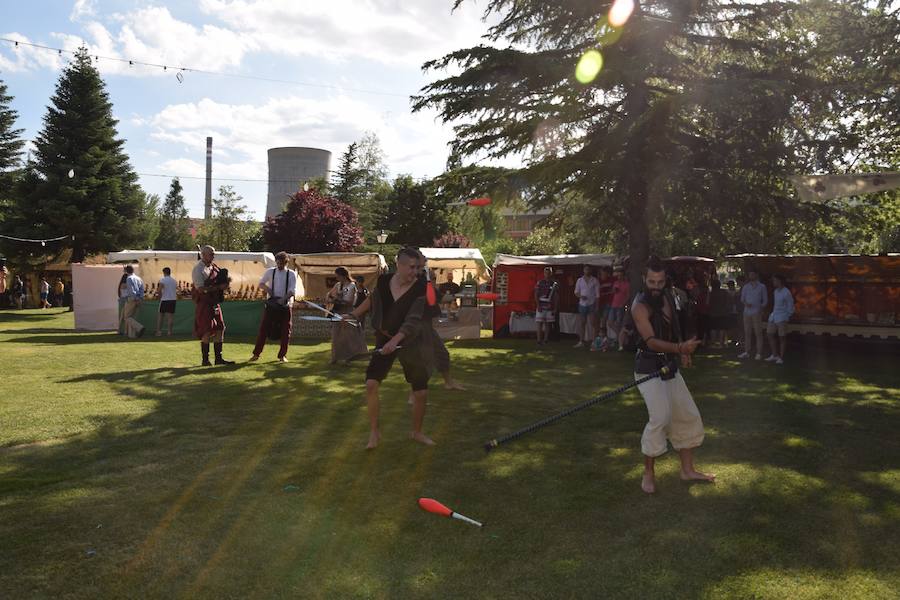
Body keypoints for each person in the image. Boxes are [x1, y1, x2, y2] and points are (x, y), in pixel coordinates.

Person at [631, 257, 714, 494]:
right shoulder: (639, 306)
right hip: (648, 367)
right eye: (651, 282)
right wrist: (680, 349)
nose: (655, 286)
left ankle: (687, 471)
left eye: (659, 281)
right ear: (644, 280)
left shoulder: (668, 296)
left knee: (686, 413)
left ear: (665, 280)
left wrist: (682, 350)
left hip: (669, 366)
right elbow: (652, 341)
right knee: (661, 417)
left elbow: (673, 325)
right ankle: (648, 473)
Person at [348, 247, 435, 449]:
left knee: (421, 393)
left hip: (411, 343)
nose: (416, 272)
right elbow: (372, 300)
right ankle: (374, 432)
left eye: (418, 267)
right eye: (412, 267)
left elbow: (412, 322)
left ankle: (417, 432)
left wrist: (395, 342)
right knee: (371, 384)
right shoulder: (384, 281)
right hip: (384, 338)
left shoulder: (421, 288)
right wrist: (353, 315)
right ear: (400, 265)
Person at [250, 251, 297, 363]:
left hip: (285, 305)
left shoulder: (291, 274)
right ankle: (256, 354)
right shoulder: (270, 272)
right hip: (271, 304)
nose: (279, 265)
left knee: (286, 331)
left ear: (286, 263)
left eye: (282, 263)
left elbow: (292, 290)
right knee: (263, 329)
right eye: (278, 263)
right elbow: (261, 283)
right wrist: (269, 290)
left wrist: (284, 298)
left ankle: (282, 356)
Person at [192, 245, 234, 366]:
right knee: (206, 331)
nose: (213, 256)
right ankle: (205, 360)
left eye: (213, 254)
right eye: (211, 254)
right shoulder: (198, 269)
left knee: (220, 328)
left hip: (214, 302)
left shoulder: (214, 267)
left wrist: (226, 282)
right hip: (204, 302)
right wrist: (217, 287)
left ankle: (218, 359)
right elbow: (200, 289)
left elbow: (219, 281)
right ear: (203, 255)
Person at [325, 266, 367, 364]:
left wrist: (338, 299)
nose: (337, 278)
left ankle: (349, 359)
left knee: (348, 337)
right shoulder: (338, 285)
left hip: (348, 312)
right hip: (337, 312)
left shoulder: (352, 286)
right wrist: (331, 299)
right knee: (336, 335)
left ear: (343, 276)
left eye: (338, 276)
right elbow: (330, 295)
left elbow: (349, 301)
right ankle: (334, 358)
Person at [738, 269, 767, 360]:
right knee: (747, 332)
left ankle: (759, 353)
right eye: (750, 275)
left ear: (756, 275)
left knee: (758, 332)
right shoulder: (746, 287)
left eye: (752, 274)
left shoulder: (762, 287)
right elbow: (742, 299)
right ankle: (747, 351)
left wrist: (760, 308)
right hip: (747, 312)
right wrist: (746, 303)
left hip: (756, 312)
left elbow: (765, 300)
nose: (751, 276)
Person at [765, 274, 795, 365]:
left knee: (782, 337)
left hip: (782, 317)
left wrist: (787, 316)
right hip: (774, 316)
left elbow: (790, 305)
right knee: (769, 334)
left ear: (779, 281)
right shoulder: (775, 291)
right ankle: (774, 354)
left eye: (774, 280)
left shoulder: (786, 292)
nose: (773, 282)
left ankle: (781, 357)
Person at [605, 265, 631, 350]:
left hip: (620, 305)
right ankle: (619, 335)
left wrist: (623, 304)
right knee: (610, 322)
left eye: (620, 275)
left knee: (618, 323)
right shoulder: (616, 283)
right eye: (618, 275)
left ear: (623, 275)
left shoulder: (627, 284)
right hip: (613, 304)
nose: (619, 277)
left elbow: (628, 295)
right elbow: (613, 292)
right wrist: (614, 290)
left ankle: (620, 340)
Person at [573, 265, 599, 348]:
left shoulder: (594, 280)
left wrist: (597, 305)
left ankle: (594, 341)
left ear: (590, 270)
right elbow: (576, 292)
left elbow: (597, 295)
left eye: (588, 269)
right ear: (583, 270)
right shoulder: (580, 280)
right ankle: (581, 341)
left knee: (593, 323)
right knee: (582, 323)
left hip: (592, 303)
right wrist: (581, 296)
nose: (587, 271)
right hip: (582, 304)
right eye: (585, 269)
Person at [534, 266, 558, 346]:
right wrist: (538, 305)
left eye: (549, 273)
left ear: (551, 273)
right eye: (546, 273)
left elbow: (556, 296)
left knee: (548, 324)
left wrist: (555, 308)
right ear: (544, 274)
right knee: (539, 323)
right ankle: (538, 340)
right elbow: (536, 294)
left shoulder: (554, 284)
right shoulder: (540, 282)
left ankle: (546, 340)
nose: (547, 274)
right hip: (541, 305)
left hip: (550, 306)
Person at [121, 265, 145, 338]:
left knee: (127, 317)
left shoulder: (129, 278)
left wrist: (135, 298)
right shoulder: (139, 278)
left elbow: (131, 290)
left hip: (132, 298)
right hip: (138, 298)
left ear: (126, 271)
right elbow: (142, 289)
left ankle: (139, 327)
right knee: (131, 317)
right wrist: (140, 298)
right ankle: (132, 335)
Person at [706, 279, 731, 348]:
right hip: (723, 312)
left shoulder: (711, 293)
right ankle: (721, 343)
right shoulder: (724, 292)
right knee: (722, 328)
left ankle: (713, 343)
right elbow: (728, 302)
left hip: (713, 313)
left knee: (713, 328)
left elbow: (707, 303)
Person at [155, 267, 178, 336]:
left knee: (160, 316)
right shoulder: (174, 281)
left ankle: (159, 332)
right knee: (170, 317)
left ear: (164, 273)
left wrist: (159, 298)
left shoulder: (163, 280)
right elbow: (177, 290)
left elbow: (159, 290)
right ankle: (169, 332)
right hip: (173, 300)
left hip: (164, 300)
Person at [116, 268, 129, 334]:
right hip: (125, 300)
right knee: (125, 316)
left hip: (122, 299)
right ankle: (124, 330)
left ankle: (120, 329)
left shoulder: (121, 284)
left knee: (122, 315)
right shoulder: (126, 284)